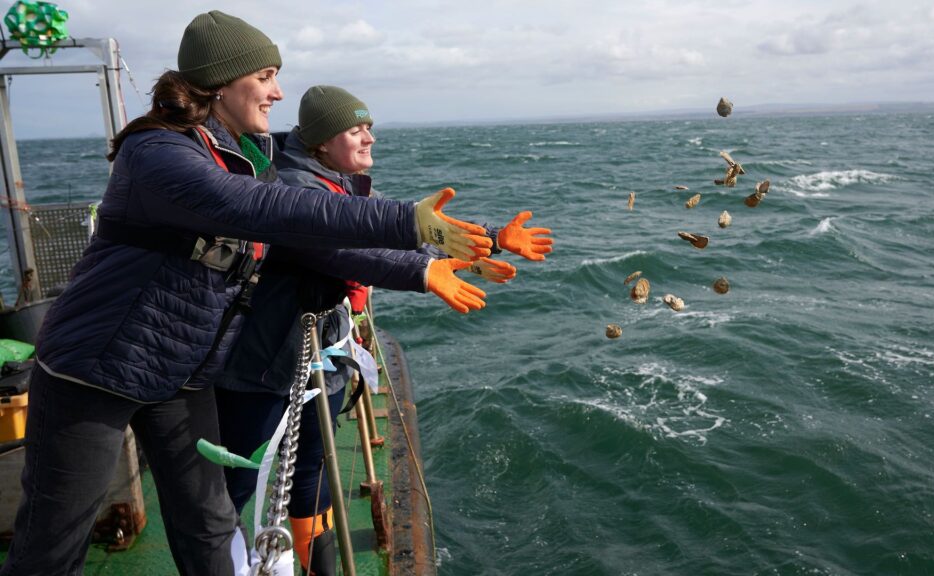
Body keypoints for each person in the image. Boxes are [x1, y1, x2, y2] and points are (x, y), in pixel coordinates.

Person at [0, 11, 506, 576]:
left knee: (211, 524)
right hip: (95, 367)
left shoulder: (243, 156)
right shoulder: (160, 153)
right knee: (54, 538)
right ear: (220, 83)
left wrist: (473, 239)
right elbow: (269, 210)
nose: (277, 91)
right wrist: (410, 223)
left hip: (179, 369)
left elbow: (324, 218)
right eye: (265, 75)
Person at [214, 84, 553, 574]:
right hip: (261, 367)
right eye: (355, 130)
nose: (369, 138)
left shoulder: (336, 181)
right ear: (322, 142)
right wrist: (422, 273)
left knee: (312, 475)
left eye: (369, 127)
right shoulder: (291, 190)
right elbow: (347, 250)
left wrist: (492, 240)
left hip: (319, 360)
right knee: (231, 485)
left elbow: (397, 234)